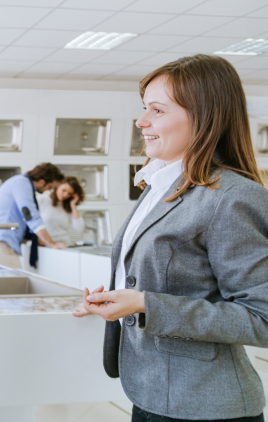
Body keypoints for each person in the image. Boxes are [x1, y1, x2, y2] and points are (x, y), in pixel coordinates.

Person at [73, 54, 268, 422]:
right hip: (150, 392)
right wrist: (116, 300)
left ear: (204, 116)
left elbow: (262, 318)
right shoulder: (160, 184)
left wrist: (146, 303)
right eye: (145, 108)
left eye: (158, 111)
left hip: (204, 405)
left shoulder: (233, 197)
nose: (141, 121)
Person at [0, 163, 67, 269]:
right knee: (16, 282)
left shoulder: (21, 182)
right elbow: (30, 215)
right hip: (0, 242)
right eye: (50, 187)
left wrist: (43, 241)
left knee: (11, 282)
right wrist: (51, 243)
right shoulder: (22, 183)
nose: (49, 190)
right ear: (42, 181)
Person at [36, 176, 85, 246]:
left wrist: (73, 205)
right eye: (64, 190)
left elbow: (79, 228)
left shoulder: (67, 206)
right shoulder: (42, 200)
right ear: (58, 185)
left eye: (69, 193)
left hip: (64, 245)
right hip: (46, 245)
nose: (65, 195)